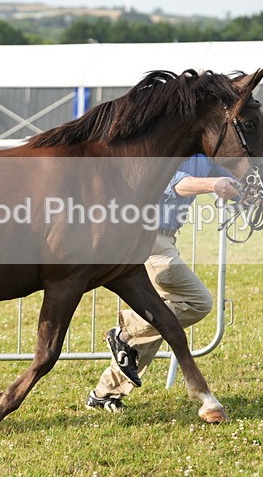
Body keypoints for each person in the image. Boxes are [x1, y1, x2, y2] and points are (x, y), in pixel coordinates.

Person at [86, 154, 240, 411]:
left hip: (166, 240)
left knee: (161, 317)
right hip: (147, 240)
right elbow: (173, 182)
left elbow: (231, 177)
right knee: (198, 302)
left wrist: (251, 192)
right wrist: (213, 185)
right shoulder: (168, 145)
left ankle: (104, 394)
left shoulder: (202, 156)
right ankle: (126, 331)